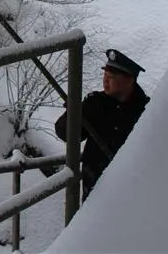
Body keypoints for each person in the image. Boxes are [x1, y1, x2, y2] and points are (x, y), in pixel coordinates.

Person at [55, 48, 150, 201]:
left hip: (130, 191)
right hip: (95, 191)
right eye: (104, 75)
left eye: (111, 77)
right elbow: (65, 134)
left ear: (129, 80)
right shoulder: (96, 103)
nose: (105, 81)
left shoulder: (147, 111)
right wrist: (75, 112)